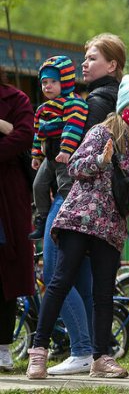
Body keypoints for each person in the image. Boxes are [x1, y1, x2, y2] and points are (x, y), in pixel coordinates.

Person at [26, 75, 129, 379]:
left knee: (104, 293)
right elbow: (74, 167)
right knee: (61, 281)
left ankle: (101, 357)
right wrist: (101, 161)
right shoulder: (102, 132)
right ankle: (39, 352)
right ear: (123, 104)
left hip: (111, 227)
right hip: (80, 217)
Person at [42, 32, 128, 376]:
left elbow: (74, 155)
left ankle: (81, 348)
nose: (84, 63)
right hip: (105, 207)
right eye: (85, 57)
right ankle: (96, 351)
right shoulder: (118, 101)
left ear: (113, 64)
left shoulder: (93, 103)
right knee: (87, 280)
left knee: (54, 273)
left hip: (73, 197)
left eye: (92, 58)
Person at [29, 56, 88, 240]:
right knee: (38, 186)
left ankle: (72, 219)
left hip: (64, 156)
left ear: (65, 81)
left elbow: (73, 126)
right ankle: (43, 219)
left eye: (53, 81)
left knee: (66, 187)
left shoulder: (73, 103)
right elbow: (38, 133)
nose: (48, 86)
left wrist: (66, 150)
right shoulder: (43, 109)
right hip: (49, 158)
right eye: (44, 82)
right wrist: (36, 155)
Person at [0, 66, 35, 372]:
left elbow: (24, 135)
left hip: (7, 201)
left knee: (5, 276)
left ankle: (2, 347)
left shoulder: (16, 99)